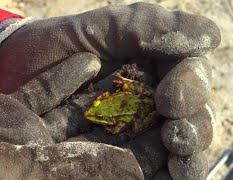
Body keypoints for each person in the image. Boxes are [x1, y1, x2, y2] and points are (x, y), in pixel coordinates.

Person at [0, 2, 220, 179]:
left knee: (172, 106)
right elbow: (100, 105)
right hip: (116, 105)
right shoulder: (99, 106)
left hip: (135, 107)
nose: (90, 114)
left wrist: (6, 34)